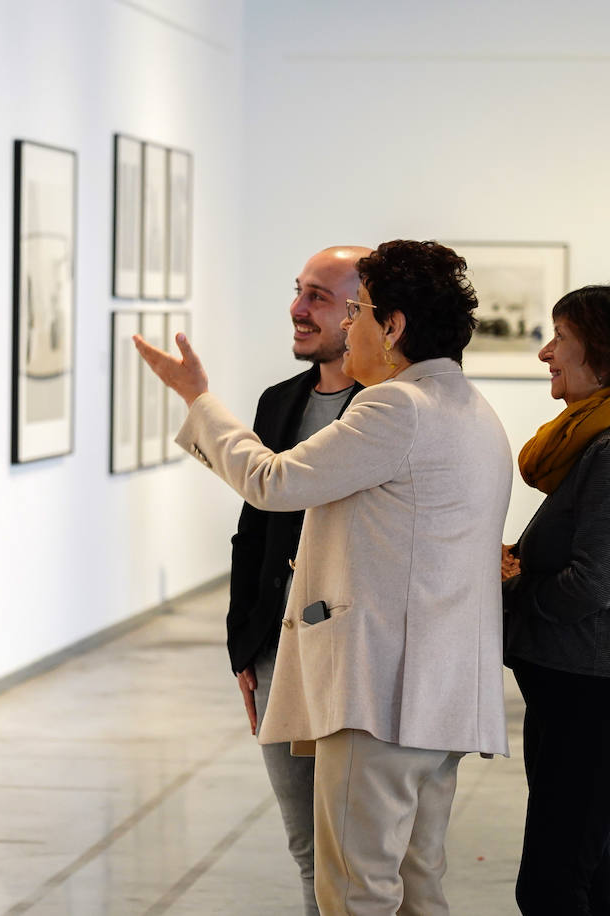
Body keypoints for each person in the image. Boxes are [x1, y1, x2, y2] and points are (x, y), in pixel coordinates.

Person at [136, 240, 512, 914]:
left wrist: (198, 397)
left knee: (355, 893)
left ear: (391, 326)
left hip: (382, 700)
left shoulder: (397, 408)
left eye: (358, 311)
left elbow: (269, 481)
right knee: (419, 888)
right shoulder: (471, 408)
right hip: (442, 694)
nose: (346, 325)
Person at [500, 282, 610, 915]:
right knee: (582, 873)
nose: (546, 352)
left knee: (549, 886)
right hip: (571, 693)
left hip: (595, 701)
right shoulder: (595, 443)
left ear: (603, 353)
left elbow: (589, 589)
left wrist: (513, 580)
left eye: (561, 339)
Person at [229, 246, 369, 915]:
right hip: (278, 651)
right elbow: (253, 531)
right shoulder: (280, 402)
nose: (297, 309)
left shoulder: (389, 409)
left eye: (318, 296)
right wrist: (243, 648)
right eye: (298, 291)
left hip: (351, 661)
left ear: (363, 312)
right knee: (307, 846)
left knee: (361, 853)